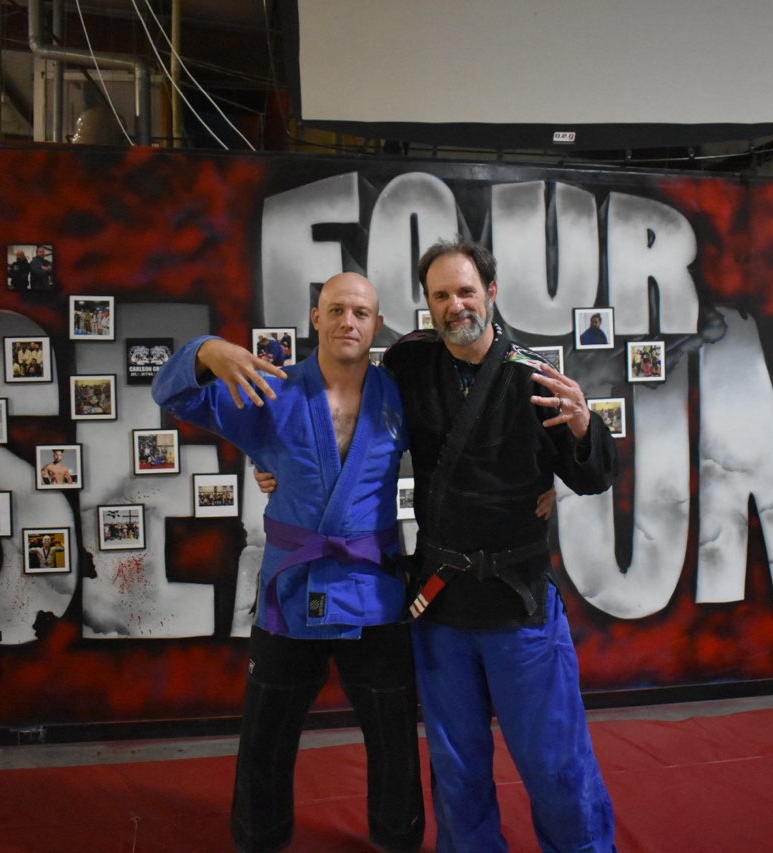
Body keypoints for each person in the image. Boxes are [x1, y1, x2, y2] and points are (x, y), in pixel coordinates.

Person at [246, 241, 618, 851]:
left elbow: (596, 475)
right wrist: (273, 463)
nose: (455, 305)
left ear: (491, 292)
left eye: (466, 291)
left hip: (518, 600)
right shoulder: (410, 365)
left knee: (555, 761)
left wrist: (582, 427)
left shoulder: (532, 377)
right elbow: (345, 413)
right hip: (442, 604)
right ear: (427, 304)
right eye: (441, 295)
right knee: (456, 766)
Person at [151, 272, 424, 853]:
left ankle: (397, 838)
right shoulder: (272, 390)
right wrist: (207, 350)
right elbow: (173, 395)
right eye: (336, 309)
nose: (348, 321)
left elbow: (461, 455)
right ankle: (261, 837)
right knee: (266, 735)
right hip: (292, 585)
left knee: (395, 733)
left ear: (377, 325)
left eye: (361, 313)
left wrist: (536, 487)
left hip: (373, 586)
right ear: (316, 318)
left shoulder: (401, 396)